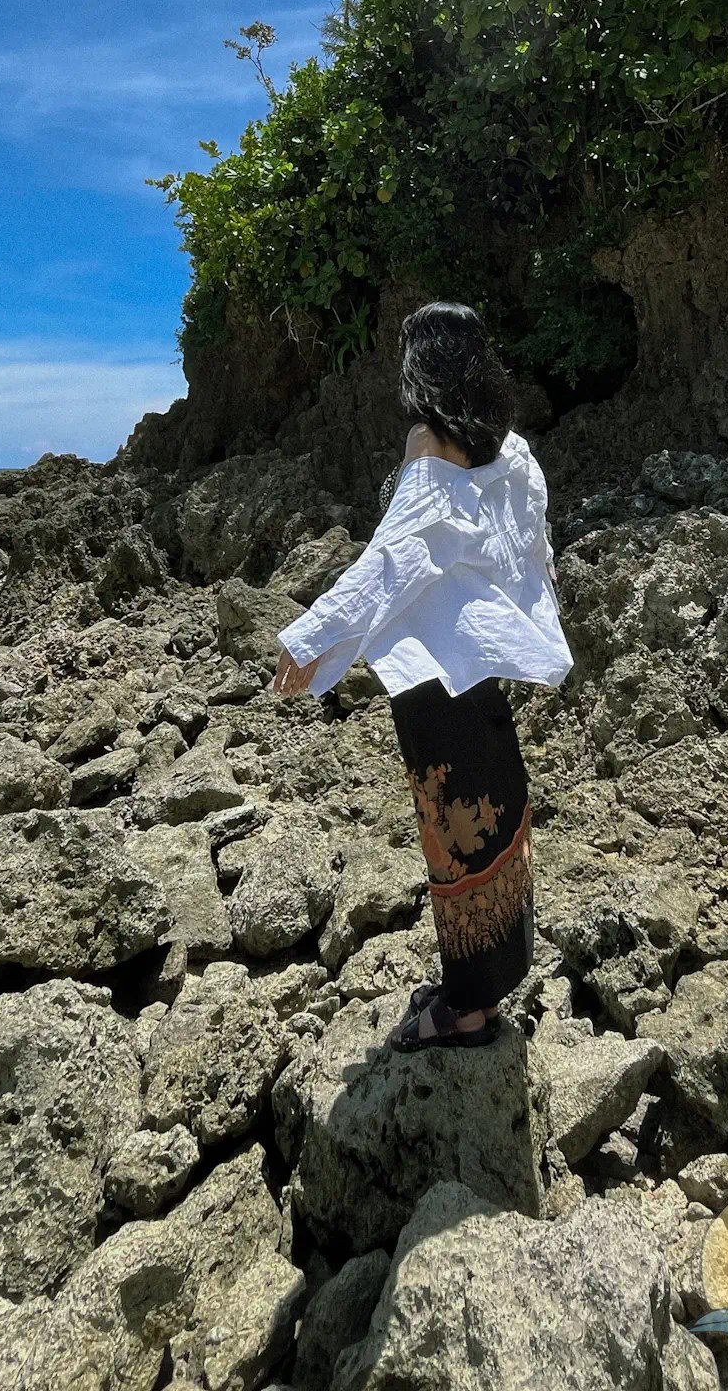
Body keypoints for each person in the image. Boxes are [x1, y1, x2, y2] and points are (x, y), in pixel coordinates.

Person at [270, 299, 573, 1050]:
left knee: (451, 829)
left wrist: (311, 640)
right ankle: (489, 983)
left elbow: (390, 563)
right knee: (496, 815)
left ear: (419, 368)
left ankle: (466, 1010)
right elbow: (532, 547)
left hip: (434, 683)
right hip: (481, 665)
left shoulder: (429, 449)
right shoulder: (516, 455)